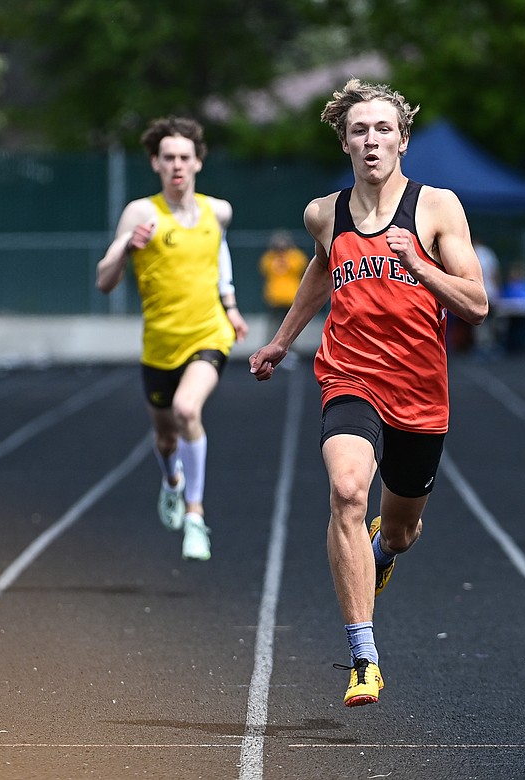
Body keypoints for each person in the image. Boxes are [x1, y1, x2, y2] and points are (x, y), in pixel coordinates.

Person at [248, 79, 488, 707]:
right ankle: (364, 656)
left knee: (402, 531)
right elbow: (321, 271)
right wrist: (281, 340)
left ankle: (383, 550)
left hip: (420, 392)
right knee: (348, 491)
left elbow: (478, 304)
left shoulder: (437, 208)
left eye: (383, 129)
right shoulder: (323, 214)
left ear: (403, 140)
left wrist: (421, 266)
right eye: (359, 130)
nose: (372, 140)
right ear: (345, 142)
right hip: (349, 376)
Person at [96, 116, 249, 562]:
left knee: (187, 409)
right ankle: (171, 481)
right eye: (168, 158)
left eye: (185, 157)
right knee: (165, 439)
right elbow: (104, 280)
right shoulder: (141, 213)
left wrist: (231, 304)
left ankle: (196, 518)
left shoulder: (217, 210)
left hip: (208, 333)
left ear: (198, 162)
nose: (177, 165)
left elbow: (219, 252)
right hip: (160, 344)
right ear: (155, 164)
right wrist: (126, 248)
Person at [258, 229, 309, 348]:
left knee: (292, 327)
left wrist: (286, 257)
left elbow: (300, 266)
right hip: (275, 298)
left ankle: (291, 350)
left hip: (292, 298)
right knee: (273, 327)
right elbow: (264, 268)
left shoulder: (295, 256)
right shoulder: (269, 258)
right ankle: (269, 347)